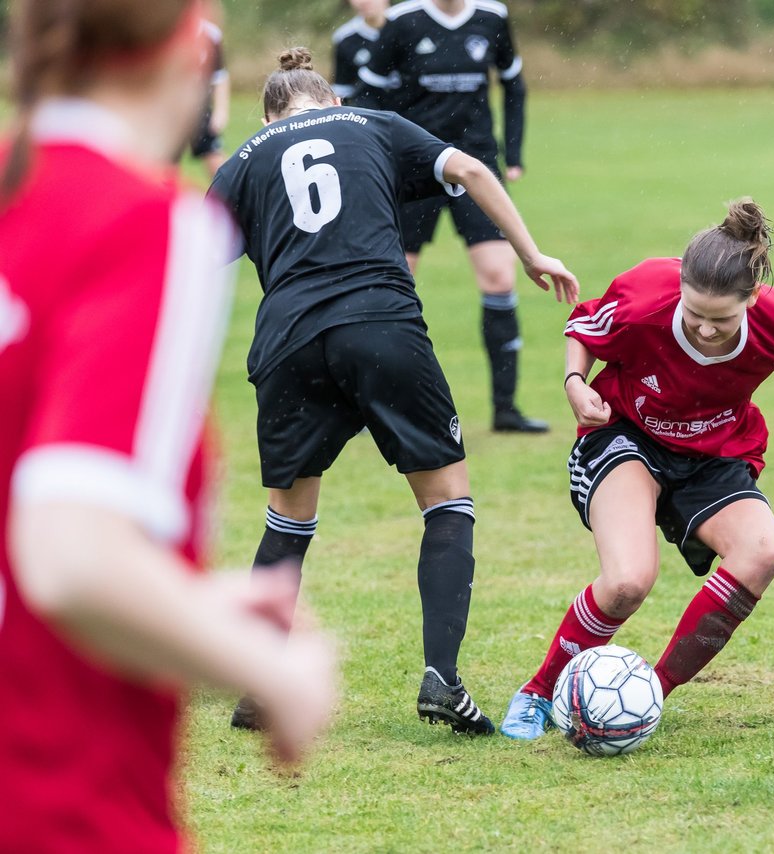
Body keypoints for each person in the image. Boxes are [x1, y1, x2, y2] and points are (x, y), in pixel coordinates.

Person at [0, 1, 337, 850]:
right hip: (55, 800)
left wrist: (189, 604)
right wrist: (270, 672)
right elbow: (70, 554)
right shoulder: (150, 223)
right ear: (198, 45)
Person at [208, 48, 578, 736]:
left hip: (288, 343)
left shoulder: (244, 159)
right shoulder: (371, 123)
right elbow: (467, 167)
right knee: (447, 499)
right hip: (381, 325)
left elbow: (189, 257)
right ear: (334, 101)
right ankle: (442, 677)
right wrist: (531, 254)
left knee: (289, 518)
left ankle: (260, 681)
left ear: (266, 115)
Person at [499, 199, 774, 739]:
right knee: (626, 582)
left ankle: (650, 695)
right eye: (695, 315)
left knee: (762, 554)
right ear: (680, 288)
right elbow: (583, 327)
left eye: (723, 318)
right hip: (627, 435)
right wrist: (575, 383)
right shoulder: (645, 293)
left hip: (715, 451)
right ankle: (537, 691)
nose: (708, 330)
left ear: (753, 299)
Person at [362, 0, 546, 433]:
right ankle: (375, 408)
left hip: (475, 168)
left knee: (500, 277)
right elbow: (367, 96)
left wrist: (513, 154)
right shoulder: (401, 22)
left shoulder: (492, 18)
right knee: (394, 282)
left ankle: (506, 409)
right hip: (411, 168)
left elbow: (515, 85)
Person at [188, 15, 232, 178]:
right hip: (164, 104)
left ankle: (234, 199)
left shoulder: (210, 34)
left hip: (198, 105)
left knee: (214, 156)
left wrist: (221, 111)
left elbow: (220, 77)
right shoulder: (161, 27)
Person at [333, 0, 392, 110]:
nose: (363, 1)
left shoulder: (412, 25)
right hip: (370, 116)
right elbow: (342, 89)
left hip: (417, 114)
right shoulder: (345, 38)